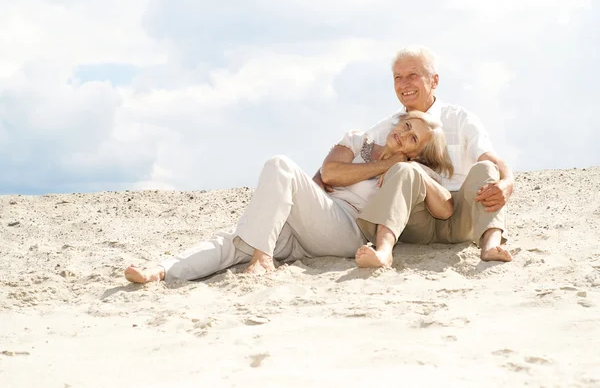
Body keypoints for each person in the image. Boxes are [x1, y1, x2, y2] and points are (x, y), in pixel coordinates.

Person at [124, 111, 454, 283]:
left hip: (345, 231)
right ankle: (162, 270)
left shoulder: (405, 172)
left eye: (414, 138)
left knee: (280, 165)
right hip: (304, 222)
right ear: (399, 120)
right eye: (407, 125)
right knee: (237, 240)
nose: (404, 134)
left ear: (418, 151)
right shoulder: (358, 140)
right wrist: (383, 162)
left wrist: (401, 167)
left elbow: (444, 208)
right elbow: (330, 174)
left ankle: (263, 259)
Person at [315, 46, 514, 268]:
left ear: (434, 81)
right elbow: (356, 146)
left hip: (462, 213)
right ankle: (383, 251)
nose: (404, 84)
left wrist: (508, 182)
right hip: (417, 218)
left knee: (486, 168)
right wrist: (319, 176)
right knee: (405, 170)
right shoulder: (393, 126)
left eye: (412, 76)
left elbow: (492, 158)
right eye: (397, 78)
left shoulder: (460, 118)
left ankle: (490, 244)